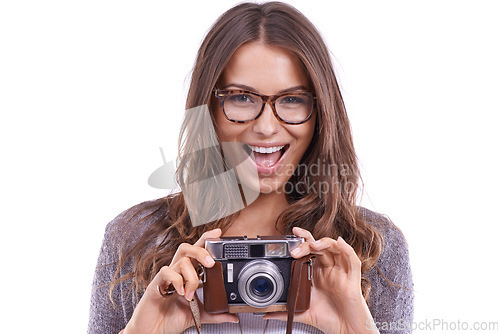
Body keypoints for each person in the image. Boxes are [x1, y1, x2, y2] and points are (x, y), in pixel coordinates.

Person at [88, 2, 414, 334]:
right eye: (242, 98)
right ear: (208, 109)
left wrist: (354, 329)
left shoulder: (372, 246)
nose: (266, 127)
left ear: (320, 113)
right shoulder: (137, 238)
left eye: (292, 99)